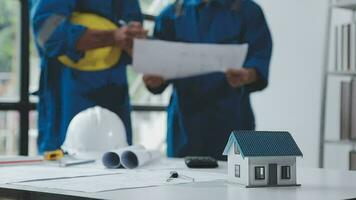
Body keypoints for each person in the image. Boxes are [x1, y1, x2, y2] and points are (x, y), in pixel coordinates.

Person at [143, 0, 273, 160]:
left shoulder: (248, 11)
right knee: (182, 180)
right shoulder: (169, 15)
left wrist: (249, 74)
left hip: (233, 120)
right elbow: (157, 69)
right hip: (184, 125)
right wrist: (154, 81)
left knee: (235, 180)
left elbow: (259, 56)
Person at [31, 0, 146, 153]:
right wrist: (113, 37)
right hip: (67, 89)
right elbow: (47, 32)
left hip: (115, 90)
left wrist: (134, 39)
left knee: (118, 161)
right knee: (64, 162)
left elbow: (134, 36)